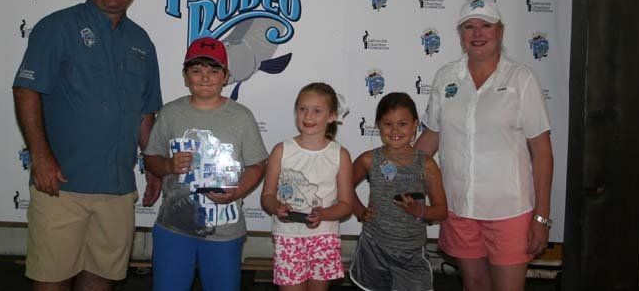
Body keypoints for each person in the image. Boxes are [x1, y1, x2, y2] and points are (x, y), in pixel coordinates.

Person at [13, 0, 163, 290]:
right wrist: (41, 157)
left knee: (101, 278)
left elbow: (145, 112)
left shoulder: (142, 42)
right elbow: (26, 91)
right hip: (62, 185)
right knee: (52, 279)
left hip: (117, 189)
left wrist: (154, 166)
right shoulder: (57, 27)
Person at [417, 0, 553, 291]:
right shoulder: (445, 77)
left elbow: (542, 152)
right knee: (475, 285)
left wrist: (542, 217)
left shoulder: (522, 79)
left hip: (510, 212)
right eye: (469, 27)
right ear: (460, 34)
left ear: (500, 32)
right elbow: (431, 138)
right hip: (458, 208)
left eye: (485, 26)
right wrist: (393, 171)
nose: (477, 34)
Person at [144, 37, 267, 291]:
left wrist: (239, 190)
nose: (205, 77)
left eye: (213, 71)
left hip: (224, 229)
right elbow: (151, 157)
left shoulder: (241, 116)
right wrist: (168, 166)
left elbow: (257, 165)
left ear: (226, 76)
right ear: (185, 75)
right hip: (174, 227)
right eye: (196, 71)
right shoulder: (169, 113)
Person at [349, 92, 447, 291]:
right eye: (387, 124)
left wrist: (419, 210)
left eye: (402, 124)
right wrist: (360, 211)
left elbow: (441, 211)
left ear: (415, 125)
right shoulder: (368, 160)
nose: (395, 130)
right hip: (373, 248)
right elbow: (344, 188)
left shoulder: (426, 164)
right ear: (378, 125)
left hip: (411, 253)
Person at [261, 82, 354, 290]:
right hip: (288, 237)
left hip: (324, 238)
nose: (308, 117)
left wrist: (323, 214)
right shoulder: (281, 150)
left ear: (331, 116)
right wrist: (276, 207)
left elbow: (347, 204)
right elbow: (267, 195)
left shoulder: (340, 155)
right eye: (302, 109)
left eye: (317, 111)